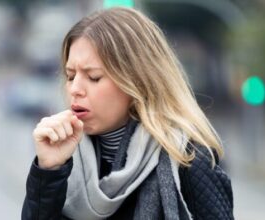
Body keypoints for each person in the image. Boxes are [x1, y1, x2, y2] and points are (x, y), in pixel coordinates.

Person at [21, 7, 233, 220]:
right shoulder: (64, 160)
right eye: (70, 76)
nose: (75, 88)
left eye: (93, 77)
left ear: (137, 81)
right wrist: (48, 170)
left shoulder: (190, 159)